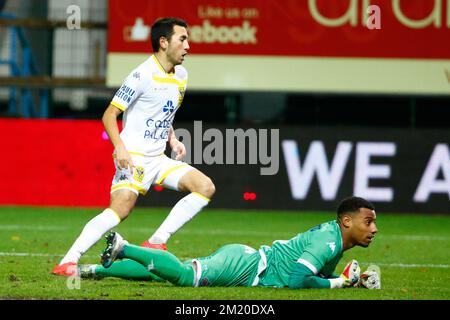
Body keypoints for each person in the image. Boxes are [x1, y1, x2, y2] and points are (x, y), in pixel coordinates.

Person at [52, 17, 215, 276]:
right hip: (135, 157)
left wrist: (172, 138)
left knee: (204, 187)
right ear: (163, 42)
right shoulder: (141, 75)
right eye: (182, 39)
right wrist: (120, 147)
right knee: (120, 210)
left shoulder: (181, 75)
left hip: (158, 158)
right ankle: (68, 261)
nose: (188, 46)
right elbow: (109, 115)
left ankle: (156, 241)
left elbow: (164, 112)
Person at [80, 196, 381, 289]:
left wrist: (350, 281)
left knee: (176, 272)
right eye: (368, 222)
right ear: (346, 221)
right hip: (247, 267)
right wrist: (338, 284)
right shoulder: (329, 240)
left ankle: (96, 270)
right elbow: (297, 280)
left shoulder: (333, 238)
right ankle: (123, 247)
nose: (374, 229)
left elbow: (312, 276)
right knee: (185, 278)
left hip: (248, 264)